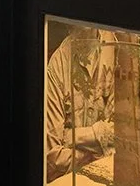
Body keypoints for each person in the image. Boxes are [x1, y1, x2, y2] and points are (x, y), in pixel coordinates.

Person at [45, 25, 117, 182]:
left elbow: (120, 135)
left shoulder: (116, 49)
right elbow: (52, 157)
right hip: (69, 179)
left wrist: (70, 137)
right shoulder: (58, 65)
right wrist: (99, 150)